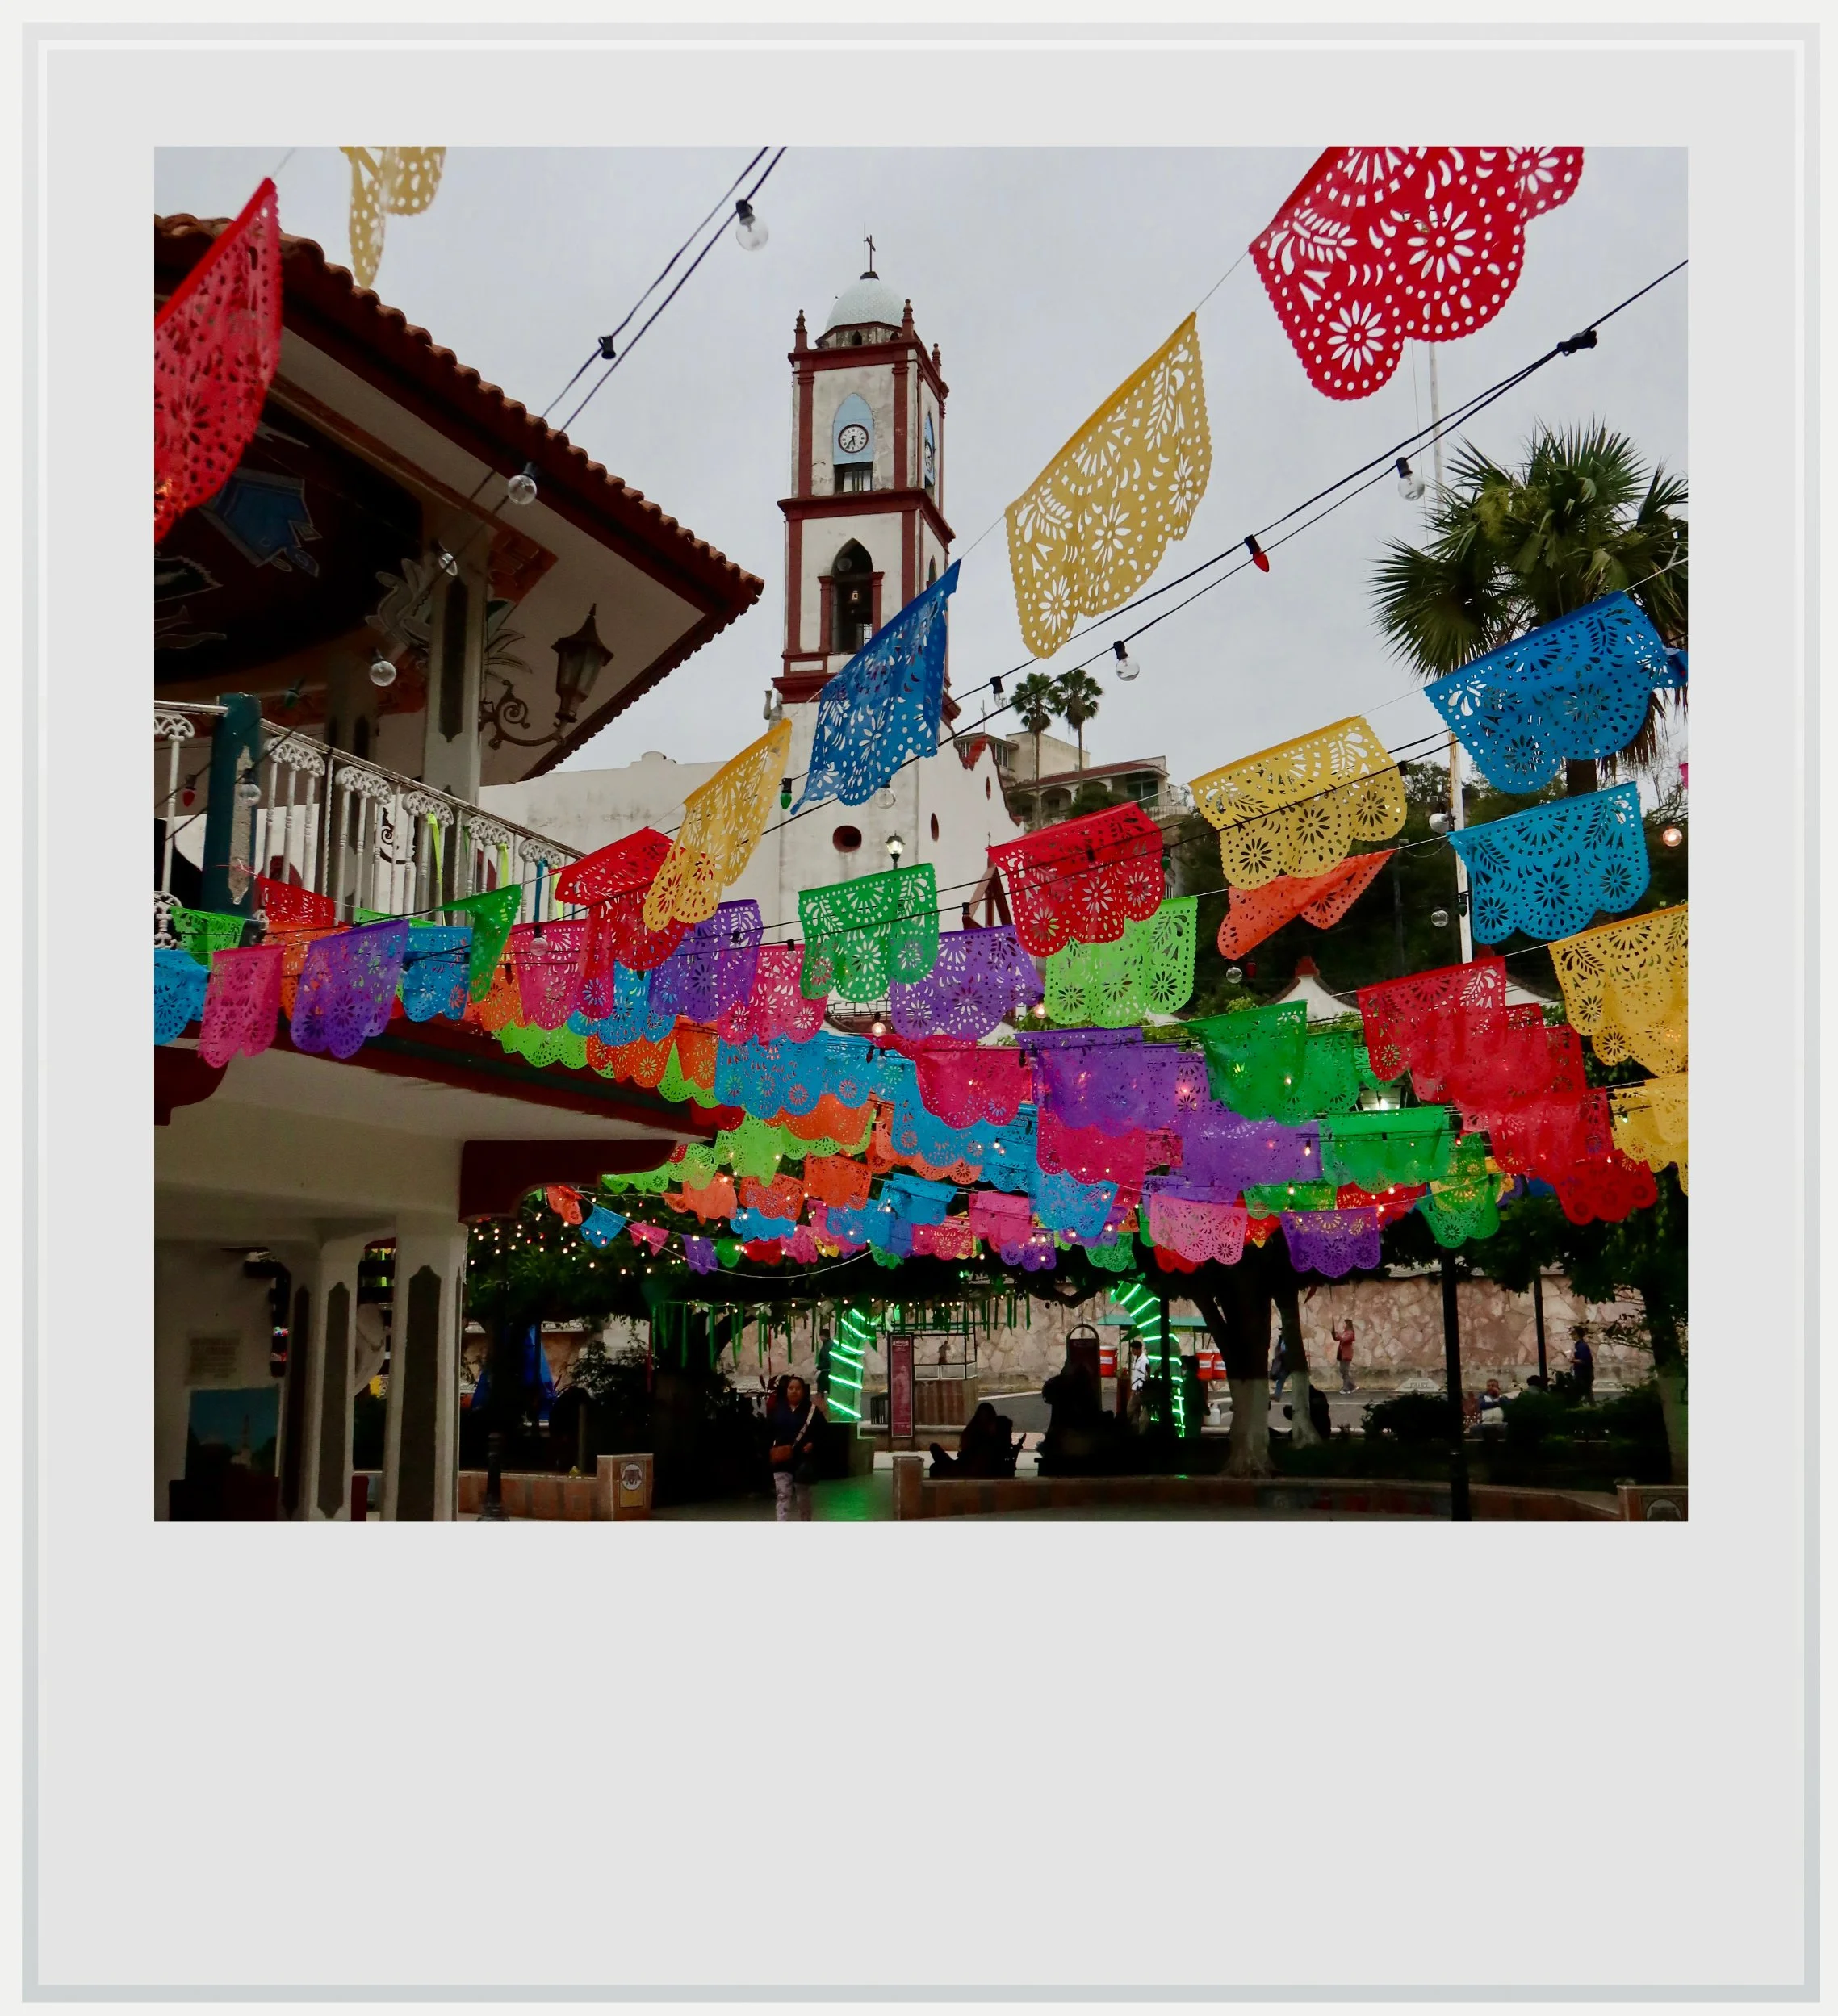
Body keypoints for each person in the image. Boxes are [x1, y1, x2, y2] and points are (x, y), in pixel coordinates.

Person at [765, 1373, 823, 1520]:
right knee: (783, 1496)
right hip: (782, 1460)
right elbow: (768, 1431)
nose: (794, 1391)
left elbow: (823, 1432)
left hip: (802, 1462)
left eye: (798, 1388)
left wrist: (812, 1443)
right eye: (791, 1388)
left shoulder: (812, 1411)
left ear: (803, 1391)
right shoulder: (778, 1410)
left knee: (803, 1499)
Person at [1571, 1330, 1595, 1403]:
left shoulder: (1582, 1346)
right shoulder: (1579, 1345)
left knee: (1586, 1394)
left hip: (1583, 1374)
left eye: (1573, 1334)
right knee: (1587, 1394)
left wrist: (1573, 1360)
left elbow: (1584, 1360)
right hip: (1582, 1373)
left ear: (1577, 1334)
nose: (1571, 1336)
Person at [1334, 1318, 1358, 1394]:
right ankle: (1352, 1386)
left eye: (1344, 1324)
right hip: (1341, 1354)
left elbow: (1345, 1340)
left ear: (1348, 1325)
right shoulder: (1344, 1332)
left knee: (1345, 1371)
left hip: (1347, 1355)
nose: (1343, 1325)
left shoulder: (1351, 1333)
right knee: (1342, 1370)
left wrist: (1338, 1335)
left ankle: (1346, 1388)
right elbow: (1337, 1339)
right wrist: (1334, 1334)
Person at [1269, 1326, 1290, 1403]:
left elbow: (1285, 1351)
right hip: (1283, 1362)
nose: (1281, 1332)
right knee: (1280, 1379)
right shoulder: (1282, 1340)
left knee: (1282, 1377)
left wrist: (1279, 1354)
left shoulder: (1288, 1340)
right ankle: (1277, 1395)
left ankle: (1277, 1395)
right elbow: (1278, 1349)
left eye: (1283, 1331)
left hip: (1287, 1363)